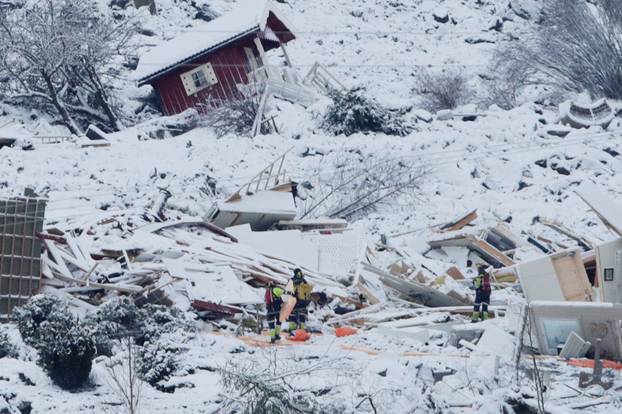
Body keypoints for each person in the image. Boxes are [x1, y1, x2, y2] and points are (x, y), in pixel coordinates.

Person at [285, 268, 313, 333]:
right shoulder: (304, 281)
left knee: (292, 316)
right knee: (302, 316)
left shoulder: (291, 281)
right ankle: (302, 330)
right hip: (303, 302)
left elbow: (287, 292)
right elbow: (308, 291)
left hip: (293, 302)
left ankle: (292, 330)